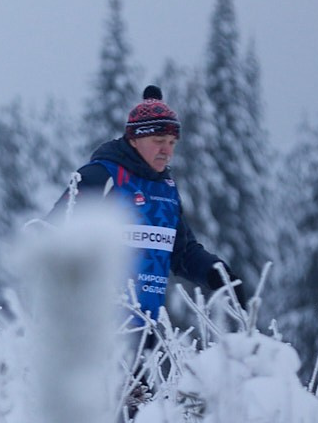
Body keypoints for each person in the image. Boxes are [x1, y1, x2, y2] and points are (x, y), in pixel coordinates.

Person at [58, 85, 238, 331]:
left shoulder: (166, 189)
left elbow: (182, 251)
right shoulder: (101, 177)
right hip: (96, 330)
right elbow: (55, 237)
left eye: (172, 142)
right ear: (134, 139)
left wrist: (218, 274)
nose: (167, 150)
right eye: (158, 141)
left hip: (146, 328)